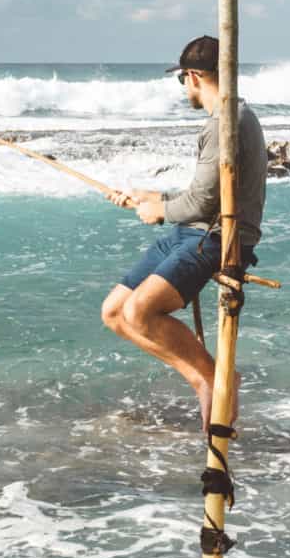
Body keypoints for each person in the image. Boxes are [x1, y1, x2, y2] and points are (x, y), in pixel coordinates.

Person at [101, 36, 267, 432]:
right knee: (113, 312)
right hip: (193, 229)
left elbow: (204, 203)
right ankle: (201, 377)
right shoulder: (228, 118)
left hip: (216, 238)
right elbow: (204, 196)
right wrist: (153, 196)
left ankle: (215, 377)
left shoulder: (226, 123)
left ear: (193, 76)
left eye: (183, 81)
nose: (185, 89)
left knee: (140, 311)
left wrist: (158, 211)